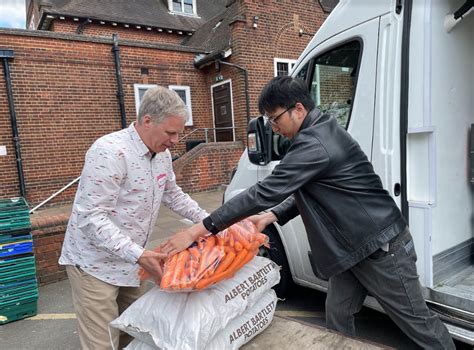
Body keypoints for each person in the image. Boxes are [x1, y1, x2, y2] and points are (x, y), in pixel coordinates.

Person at [160, 76, 455, 349]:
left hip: (380, 249)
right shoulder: (318, 133)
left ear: (297, 109)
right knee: (337, 319)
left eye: (275, 119)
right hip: (351, 250)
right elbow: (313, 190)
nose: (273, 127)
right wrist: (272, 216)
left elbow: (263, 192)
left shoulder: (315, 142)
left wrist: (199, 229)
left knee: (418, 324)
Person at [59, 86, 208, 350]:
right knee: (103, 343)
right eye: (170, 133)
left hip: (131, 261)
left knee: (138, 331)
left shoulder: (161, 155)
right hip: (94, 266)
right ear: (147, 121)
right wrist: (138, 254)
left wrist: (211, 222)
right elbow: (91, 217)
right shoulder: (109, 152)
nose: (175, 141)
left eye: (178, 133)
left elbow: (173, 195)